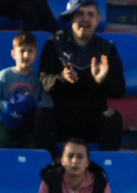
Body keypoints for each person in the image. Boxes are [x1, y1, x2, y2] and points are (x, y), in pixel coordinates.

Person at [36, 0, 125, 150]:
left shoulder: (107, 49)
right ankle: (49, 169)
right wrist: (63, 78)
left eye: (90, 14)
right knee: (42, 116)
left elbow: (119, 89)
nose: (85, 19)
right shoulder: (54, 44)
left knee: (112, 118)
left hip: (92, 121)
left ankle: (104, 169)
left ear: (98, 19)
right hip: (63, 120)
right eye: (80, 14)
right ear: (71, 17)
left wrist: (101, 81)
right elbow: (44, 82)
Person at [0, 29, 41, 146]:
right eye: (22, 51)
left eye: (30, 51)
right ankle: (1, 164)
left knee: (33, 141)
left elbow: (40, 102)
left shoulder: (37, 79)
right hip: (4, 122)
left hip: (28, 123)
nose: (26, 55)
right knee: (1, 139)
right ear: (13, 54)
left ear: (36, 54)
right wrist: (9, 106)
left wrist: (30, 106)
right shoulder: (4, 76)